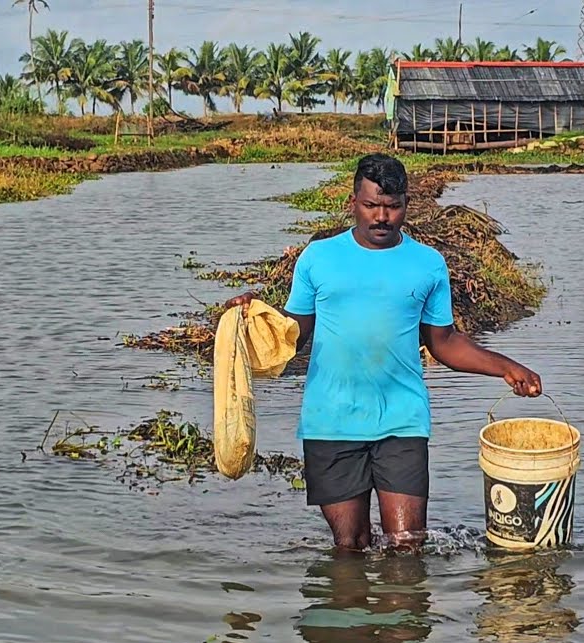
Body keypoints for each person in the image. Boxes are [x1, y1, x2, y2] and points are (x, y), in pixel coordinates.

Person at [225, 153, 542, 553]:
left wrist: (506, 367)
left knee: (407, 547)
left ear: (406, 205)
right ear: (353, 202)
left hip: (402, 421)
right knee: (349, 546)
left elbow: (443, 342)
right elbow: (292, 335)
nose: (381, 217)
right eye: (371, 205)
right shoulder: (318, 258)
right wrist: (252, 319)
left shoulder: (428, 264)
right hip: (331, 422)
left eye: (392, 207)